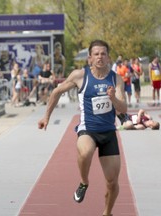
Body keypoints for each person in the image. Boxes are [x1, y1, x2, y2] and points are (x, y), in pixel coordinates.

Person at [38, 40, 127, 216]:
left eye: (103, 54)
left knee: (113, 183)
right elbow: (56, 92)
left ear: (108, 57)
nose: (100, 57)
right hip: (88, 130)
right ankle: (84, 182)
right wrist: (46, 117)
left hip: (109, 132)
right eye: (96, 54)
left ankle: (107, 213)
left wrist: (113, 98)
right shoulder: (80, 76)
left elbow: (123, 108)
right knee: (85, 152)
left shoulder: (115, 79)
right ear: (90, 58)